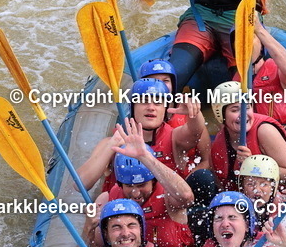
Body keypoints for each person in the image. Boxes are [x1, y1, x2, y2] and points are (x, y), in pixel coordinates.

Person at [89, 118, 197, 247]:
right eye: (129, 186)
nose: (135, 193)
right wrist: (89, 229)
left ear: (153, 181)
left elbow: (186, 197)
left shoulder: (168, 196)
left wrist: (145, 157)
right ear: (120, 184)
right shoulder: (107, 201)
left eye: (141, 185)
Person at [77, 78, 207, 191]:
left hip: (163, 211)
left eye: (157, 102)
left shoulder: (175, 138)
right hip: (125, 214)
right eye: (144, 101)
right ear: (132, 107)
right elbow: (80, 185)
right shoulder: (111, 142)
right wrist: (111, 146)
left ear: (165, 109)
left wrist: (194, 112)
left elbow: (196, 131)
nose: (151, 107)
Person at [210, 81, 286, 190]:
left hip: (283, 196)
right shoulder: (220, 141)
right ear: (221, 115)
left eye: (247, 107)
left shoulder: (265, 131)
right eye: (235, 110)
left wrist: (253, 165)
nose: (243, 114)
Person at [231, 17, 286, 142]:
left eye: (251, 38)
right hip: (255, 140)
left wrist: (259, 29)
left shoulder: (278, 69)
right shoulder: (236, 80)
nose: (245, 43)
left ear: (261, 45)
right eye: (239, 39)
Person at [138, 58, 211, 174]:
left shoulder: (188, 113)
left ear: (173, 84)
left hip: (185, 178)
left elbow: (207, 161)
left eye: (165, 81)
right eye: (153, 81)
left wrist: (183, 186)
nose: (160, 85)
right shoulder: (136, 118)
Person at [198, 191, 286, 247]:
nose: (225, 224)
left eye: (232, 217)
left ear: (247, 225)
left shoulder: (265, 245)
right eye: (218, 218)